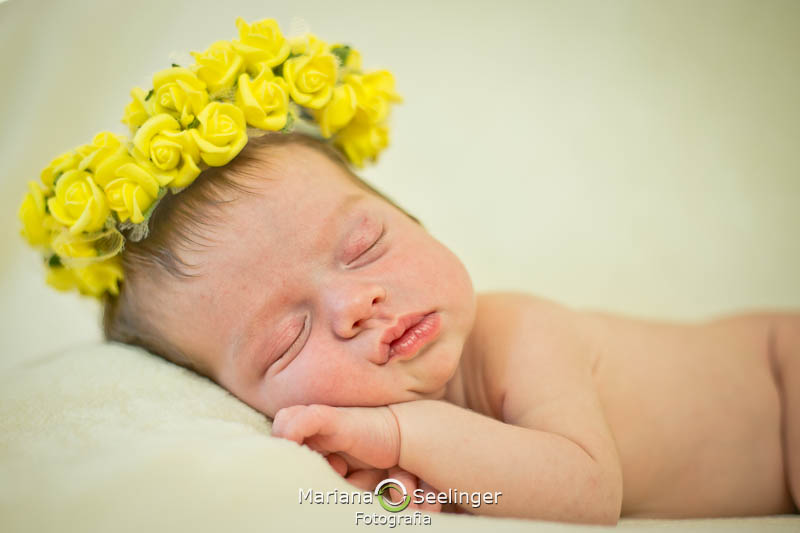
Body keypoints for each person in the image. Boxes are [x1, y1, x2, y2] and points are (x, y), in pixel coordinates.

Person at [18, 16, 799, 525]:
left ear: (418, 221)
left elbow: (588, 492)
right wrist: (398, 486)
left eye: (363, 246)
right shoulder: (376, 431)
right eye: (287, 338)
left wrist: (397, 432)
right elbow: (490, 494)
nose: (357, 304)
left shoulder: (522, 332)